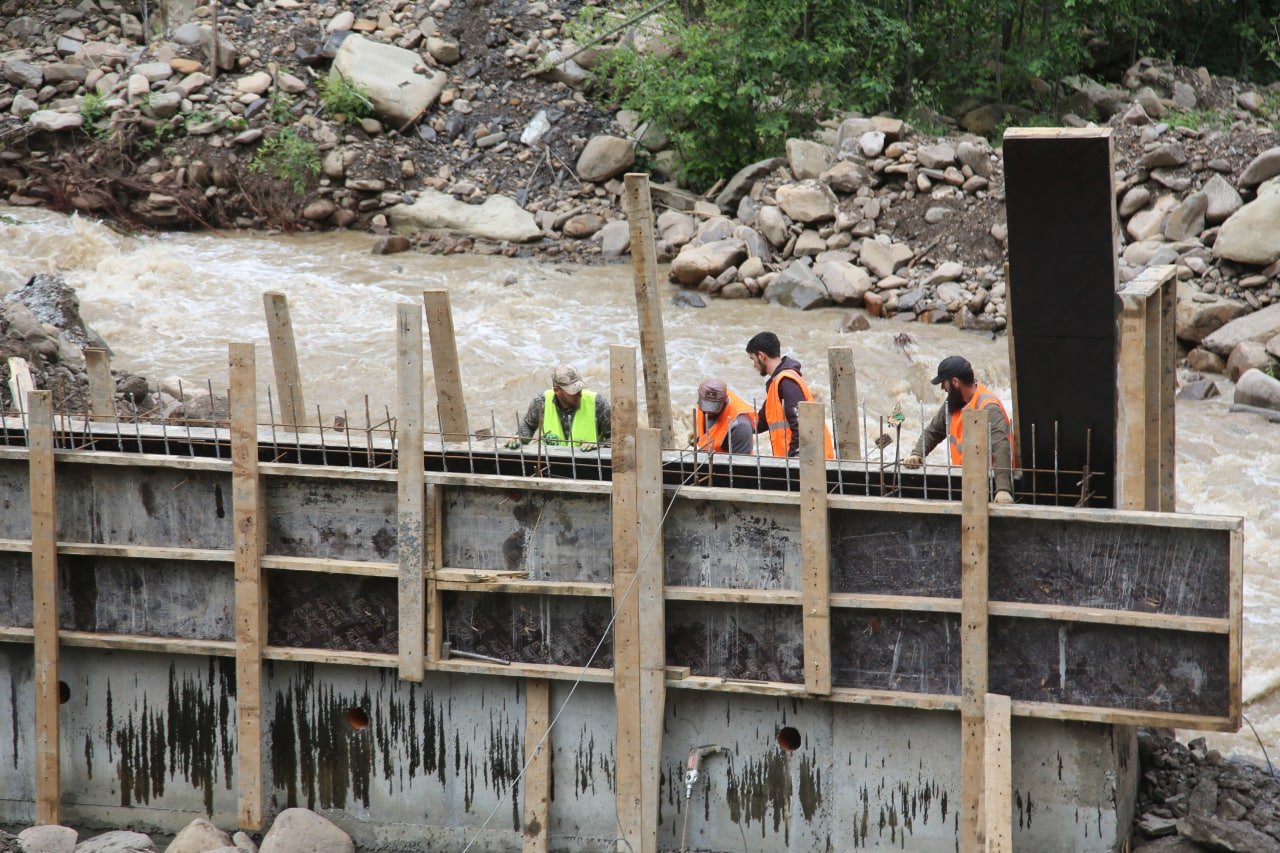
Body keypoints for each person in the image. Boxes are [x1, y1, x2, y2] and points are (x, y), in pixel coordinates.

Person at [903, 355, 1015, 502]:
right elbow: (933, 431)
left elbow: (1001, 447)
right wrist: (917, 453)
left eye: (944, 383)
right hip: (965, 480)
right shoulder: (954, 403)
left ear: (955, 382)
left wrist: (1003, 489)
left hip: (989, 483)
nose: (943, 388)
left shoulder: (988, 405)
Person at [744, 331, 834, 459]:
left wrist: (792, 462)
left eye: (753, 359)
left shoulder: (786, 382)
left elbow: (801, 426)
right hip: (803, 463)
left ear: (761, 356)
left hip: (810, 465)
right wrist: (733, 423)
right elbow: (761, 422)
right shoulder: (777, 384)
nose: (754, 365)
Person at [506, 364, 611, 450]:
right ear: (556, 390)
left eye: (579, 389)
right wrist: (519, 438)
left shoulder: (598, 403)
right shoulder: (541, 401)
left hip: (588, 464)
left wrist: (599, 446)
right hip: (550, 463)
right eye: (572, 392)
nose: (579, 394)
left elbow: (616, 439)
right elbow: (528, 425)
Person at [692, 378, 755, 454]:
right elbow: (713, 432)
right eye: (705, 406)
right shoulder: (702, 404)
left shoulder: (740, 427)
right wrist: (700, 437)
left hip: (728, 463)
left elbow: (741, 464)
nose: (708, 412)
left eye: (713, 407)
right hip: (710, 459)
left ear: (724, 401)